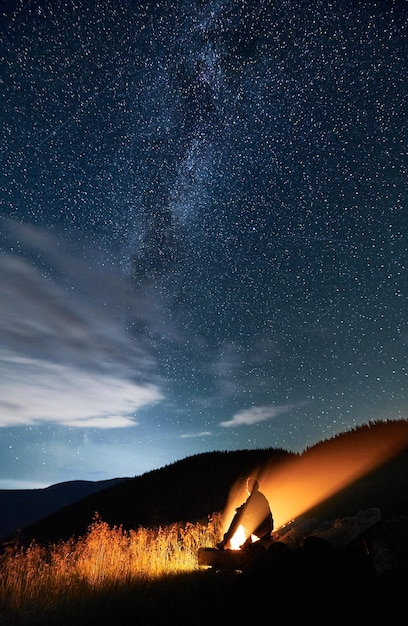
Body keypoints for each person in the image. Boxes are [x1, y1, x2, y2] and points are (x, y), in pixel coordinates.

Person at [216, 477, 273, 550]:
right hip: (265, 527)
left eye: (248, 486)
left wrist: (238, 510)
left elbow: (243, 509)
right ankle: (244, 542)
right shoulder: (257, 496)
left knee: (239, 517)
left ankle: (226, 541)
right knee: (243, 518)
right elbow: (245, 507)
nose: (247, 488)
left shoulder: (256, 496)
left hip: (264, 528)